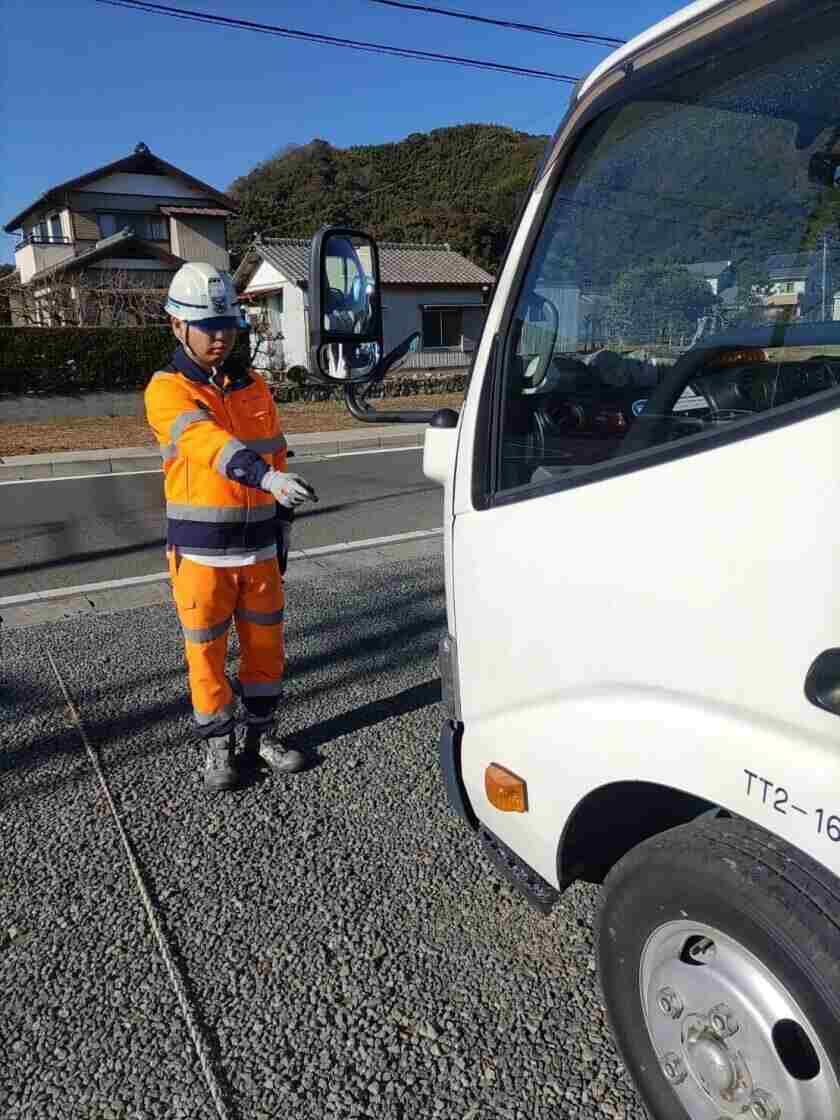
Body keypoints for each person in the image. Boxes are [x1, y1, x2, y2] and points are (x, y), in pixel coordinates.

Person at [145, 262, 318, 792]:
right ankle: (218, 746)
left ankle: (261, 737)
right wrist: (266, 476)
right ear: (177, 325)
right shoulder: (167, 391)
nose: (220, 336)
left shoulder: (253, 387)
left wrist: (283, 506)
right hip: (201, 559)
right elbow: (207, 444)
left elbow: (274, 452)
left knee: (266, 653)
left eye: (227, 324)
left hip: (260, 552)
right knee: (207, 658)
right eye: (206, 325)